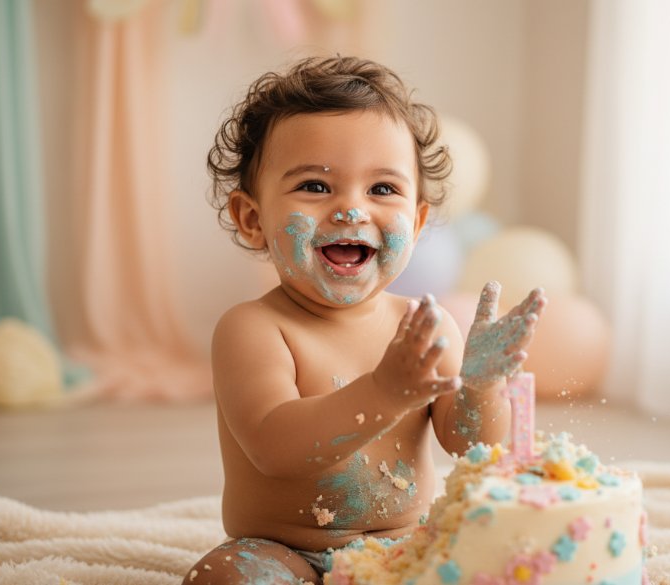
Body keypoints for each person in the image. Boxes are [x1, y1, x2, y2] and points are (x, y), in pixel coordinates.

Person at [184, 55, 546, 585]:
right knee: (224, 576)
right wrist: (384, 392)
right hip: (285, 552)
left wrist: (483, 386)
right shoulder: (254, 329)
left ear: (418, 222)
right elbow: (274, 447)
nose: (352, 210)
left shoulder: (427, 327)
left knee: (509, 561)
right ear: (253, 218)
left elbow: (473, 450)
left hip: (407, 550)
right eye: (314, 186)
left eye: (382, 189)